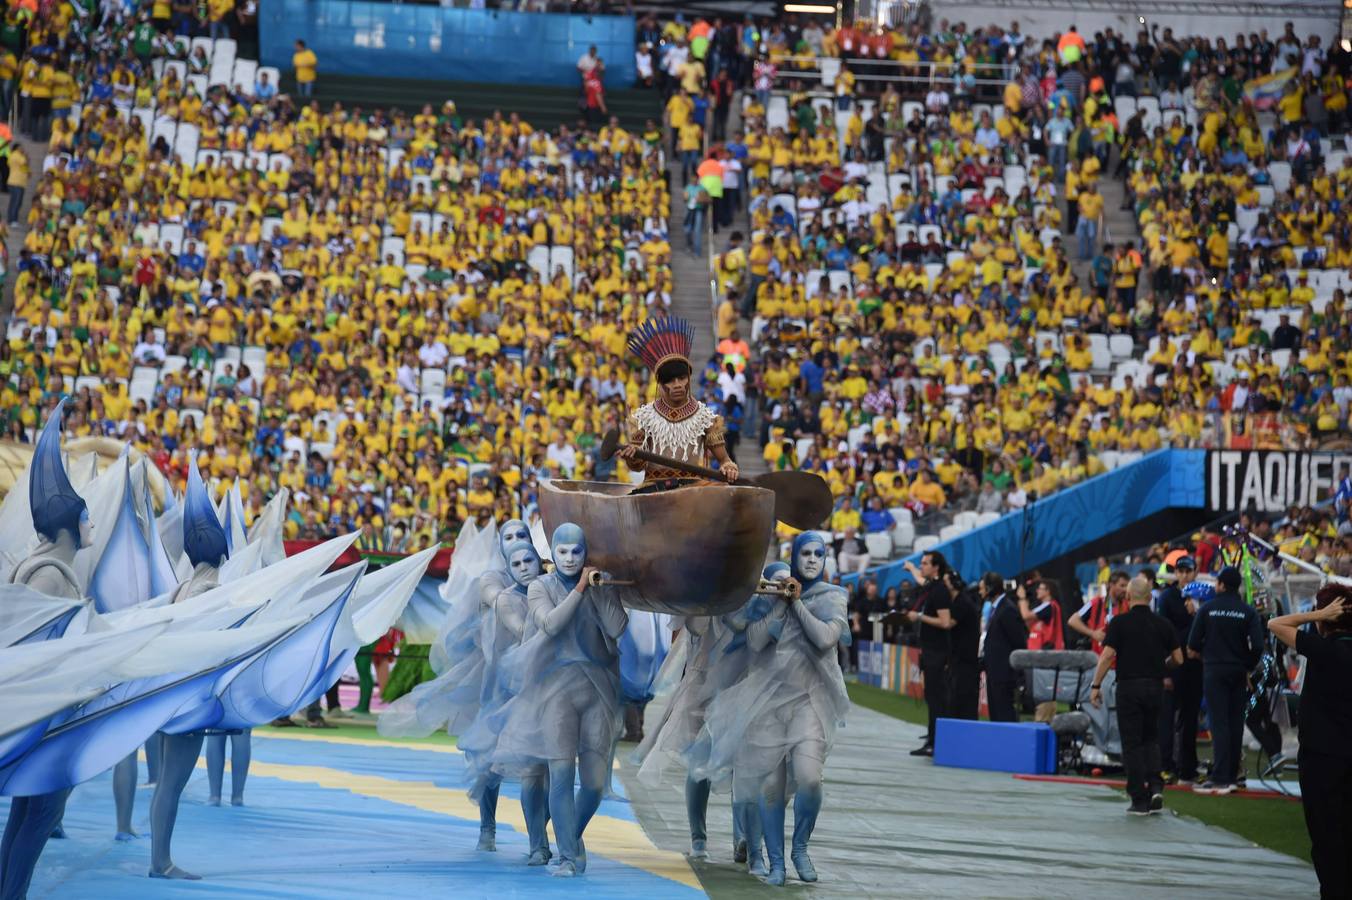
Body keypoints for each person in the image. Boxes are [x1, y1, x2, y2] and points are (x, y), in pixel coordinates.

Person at [690, 533, 849, 887]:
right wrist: (780, 602)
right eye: (804, 553)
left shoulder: (834, 596)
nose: (811, 560)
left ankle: (800, 847)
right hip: (766, 703)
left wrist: (797, 604)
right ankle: (774, 860)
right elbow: (756, 641)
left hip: (809, 701)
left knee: (809, 777)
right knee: (770, 789)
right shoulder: (772, 597)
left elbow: (825, 639)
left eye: (818, 554)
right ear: (793, 557)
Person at [488, 523, 629, 877]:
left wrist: (602, 591)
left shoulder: (598, 585)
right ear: (552, 553)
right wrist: (581, 589)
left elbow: (617, 628)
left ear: (586, 553)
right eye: (562, 551)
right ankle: (566, 855)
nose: (569, 558)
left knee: (595, 785)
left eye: (576, 551)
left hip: (598, 692)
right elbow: (550, 624)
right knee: (560, 775)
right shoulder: (540, 586)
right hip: (554, 694)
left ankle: (570, 834)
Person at [0, 406, 92, 900]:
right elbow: (44, 655)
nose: (90, 521)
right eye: (84, 514)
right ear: (68, 526)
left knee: (28, 813)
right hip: (46, 716)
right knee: (40, 815)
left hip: (38, 714)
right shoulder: (52, 576)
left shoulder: (41, 568)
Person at [1267, 585, 1352, 898]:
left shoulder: (1322, 649)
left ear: (1326, 619)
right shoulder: (1328, 647)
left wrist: (1318, 614)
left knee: (1327, 835)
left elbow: (1275, 624)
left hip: (1321, 757)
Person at [1090, 574, 1182, 815]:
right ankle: (1155, 785)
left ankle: (1138, 798)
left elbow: (1107, 656)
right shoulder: (1163, 624)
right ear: (1150, 597)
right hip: (1154, 686)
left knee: (1131, 743)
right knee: (1151, 738)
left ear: (1128, 596)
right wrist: (1162, 666)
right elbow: (1179, 658)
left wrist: (1095, 685)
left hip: (1129, 687)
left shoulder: (1120, 623)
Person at [617, 316, 738, 485]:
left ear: (689, 378)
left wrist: (729, 467)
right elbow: (637, 466)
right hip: (654, 492)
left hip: (694, 493)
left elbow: (725, 460)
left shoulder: (705, 418)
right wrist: (632, 457)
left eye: (681, 378)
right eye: (670, 380)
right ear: (660, 384)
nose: (677, 385)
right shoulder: (644, 417)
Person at [1187, 566, 1264, 794]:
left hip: (1213, 670)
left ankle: (1220, 777)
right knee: (1234, 723)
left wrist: (1209, 654)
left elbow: (1192, 644)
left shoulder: (1207, 609)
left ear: (1220, 585)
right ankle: (1233, 775)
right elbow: (1258, 646)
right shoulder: (1248, 611)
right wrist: (1247, 665)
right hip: (1238, 671)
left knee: (1219, 723)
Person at [904, 551, 953, 756]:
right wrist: (911, 569)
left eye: (925, 563)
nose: (921, 566)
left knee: (936, 700)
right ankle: (932, 739)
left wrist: (920, 617)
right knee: (931, 698)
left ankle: (936, 742)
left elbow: (945, 622)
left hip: (938, 653)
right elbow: (921, 579)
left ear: (936, 567)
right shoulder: (932, 586)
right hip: (930, 651)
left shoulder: (940, 590)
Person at [980, 573, 1027, 722]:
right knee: (995, 713)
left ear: (990, 588)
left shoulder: (1007, 609)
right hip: (994, 670)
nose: (980, 592)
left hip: (1004, 672)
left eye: (982, 589)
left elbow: (1019, 641)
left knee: (1004, 713)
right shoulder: (997, 608)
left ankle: (1009, 743)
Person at [946, 572, 981, 721]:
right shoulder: (958, 601)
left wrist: (922, 617)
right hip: (959, 658)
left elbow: (947, 623)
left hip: (965, 660)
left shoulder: (962, 602)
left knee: (963, 700)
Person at [1069, 570, 1130, 654]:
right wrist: (1093, 633)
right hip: (1099, 658)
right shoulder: (1096, 602)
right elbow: (1072, 620)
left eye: (1127, 586)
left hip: (1120, 659)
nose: (1125, 589)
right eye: (1122, 585)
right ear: (1111, 585)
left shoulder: (1128, 605)